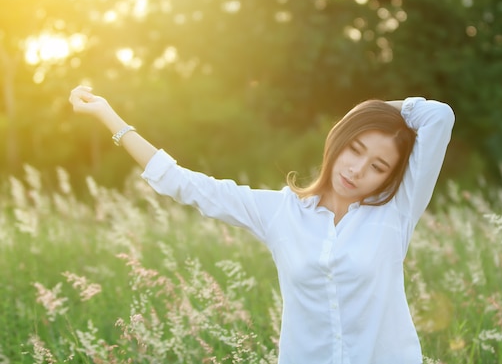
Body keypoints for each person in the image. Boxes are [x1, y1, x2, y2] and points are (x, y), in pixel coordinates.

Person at [69, 85, 454, 364]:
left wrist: (372, 111)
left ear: (389, 178)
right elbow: (182, 183)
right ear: (338, 142)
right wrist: (109, 116)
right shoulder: (280, 212)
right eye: (355, 149)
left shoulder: (396, 213)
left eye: (378, 167)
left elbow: (439, 116)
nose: (358, 170)